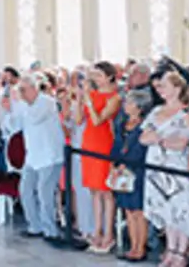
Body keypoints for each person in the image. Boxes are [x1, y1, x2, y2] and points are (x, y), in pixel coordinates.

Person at [140, 72, 189, 267]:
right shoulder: (155, 112)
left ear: (177, 88)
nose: (160, 89)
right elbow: (143, 138)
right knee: (166, 210)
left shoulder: (187, 114)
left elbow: (182, 143)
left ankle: (181, 252)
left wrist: (160, 139)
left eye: (164, 85)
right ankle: (171, 249)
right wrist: (163, 140)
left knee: (181, 209)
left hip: (176, 168)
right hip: (156, 167)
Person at [6, 75, 65, 241]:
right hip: (32, 156)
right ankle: (35, 226)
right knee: (25, 190)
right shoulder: (23, 106)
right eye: (20, 90)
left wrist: (19, 105)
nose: (22, 94)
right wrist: (10, 109)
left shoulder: (47, 102)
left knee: (45, 194)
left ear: (34, 88)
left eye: (23, 90)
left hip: (49, 155)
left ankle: (50, 230)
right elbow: (13, 126)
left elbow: (34, 118)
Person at [79, 61, 121, 253]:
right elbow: (80, 119)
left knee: (105, 190)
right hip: (88, 141)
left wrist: (88, 99)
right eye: (93, 75)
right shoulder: (92, 94)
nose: (95, 79)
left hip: (104, 143)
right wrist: (79, 100)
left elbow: (98, 120)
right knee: (94, 190)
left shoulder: (114, 98)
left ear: (110, 77)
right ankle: (96, 230)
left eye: (99, 75)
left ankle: (108, 234)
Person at [109, 89, 151, 262]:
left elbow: (140, 150)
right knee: (128, 210)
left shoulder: (144, 126)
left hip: (137, 171)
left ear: (139, 107)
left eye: (130, 103)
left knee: (138, 211)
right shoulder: (123, 124)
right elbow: (117, 144)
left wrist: (126, 163)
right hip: (122, 170)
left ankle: (140, 247)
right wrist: (114, 163)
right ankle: (132, 246)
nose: (125, 105)